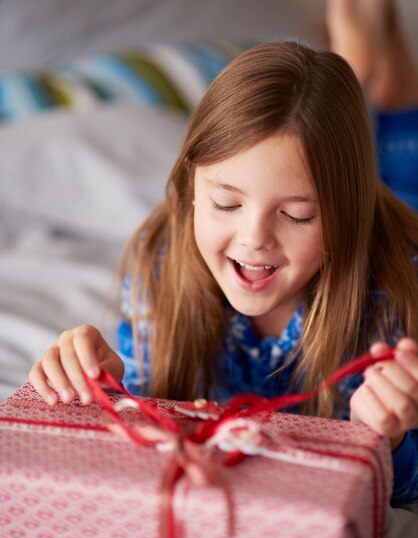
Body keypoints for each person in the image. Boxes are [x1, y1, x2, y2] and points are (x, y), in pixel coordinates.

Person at [29, 2, 418, 507]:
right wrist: (106, 388)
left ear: (344, 213)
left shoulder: (393, 293)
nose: (254, 238)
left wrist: (384, 438)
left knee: (398, 160)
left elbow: (409, 482)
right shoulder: (161, 262)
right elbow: (151, 429)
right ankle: (353, 64)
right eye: (226, 203)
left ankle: (367, 56)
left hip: (390, 219)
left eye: (297, 215)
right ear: (191, 183)